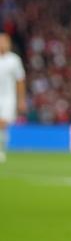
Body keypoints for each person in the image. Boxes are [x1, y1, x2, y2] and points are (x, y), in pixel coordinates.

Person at [0, 33, 27, 163]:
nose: (2, 44)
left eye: (5, 41)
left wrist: (21, 100)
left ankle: (1, 150)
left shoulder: (14, 60)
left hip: (8, 97)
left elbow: (20, 80)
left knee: (3, 123)